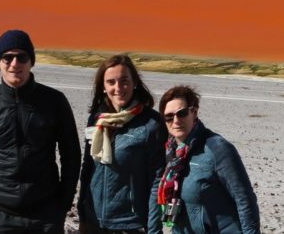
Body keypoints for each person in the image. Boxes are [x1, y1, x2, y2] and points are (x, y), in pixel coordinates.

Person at [0, 29, 81, 233]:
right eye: (7, 58)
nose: (15, 64)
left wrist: (63, 204)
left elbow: (71, 154)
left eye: (22, 57)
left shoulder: (54, 101)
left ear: (31, 61)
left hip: (46, 215)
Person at [78, 54, 166, 234]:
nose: (118, 88)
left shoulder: (151, 124)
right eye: (111, 82)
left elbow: (158, 180)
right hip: (94, 220)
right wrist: (82, 212)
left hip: (129, 224)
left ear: (134, 82)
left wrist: (153, 226)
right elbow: (88, 168)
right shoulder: (97, 119)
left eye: (124, 81)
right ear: (103, 87)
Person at [157, 85, 260, 234]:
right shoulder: (171, 152)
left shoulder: (217, 148)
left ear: (194, 112)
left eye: (182, 113)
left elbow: (244, 198)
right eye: (169, 116)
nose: (176, 120)